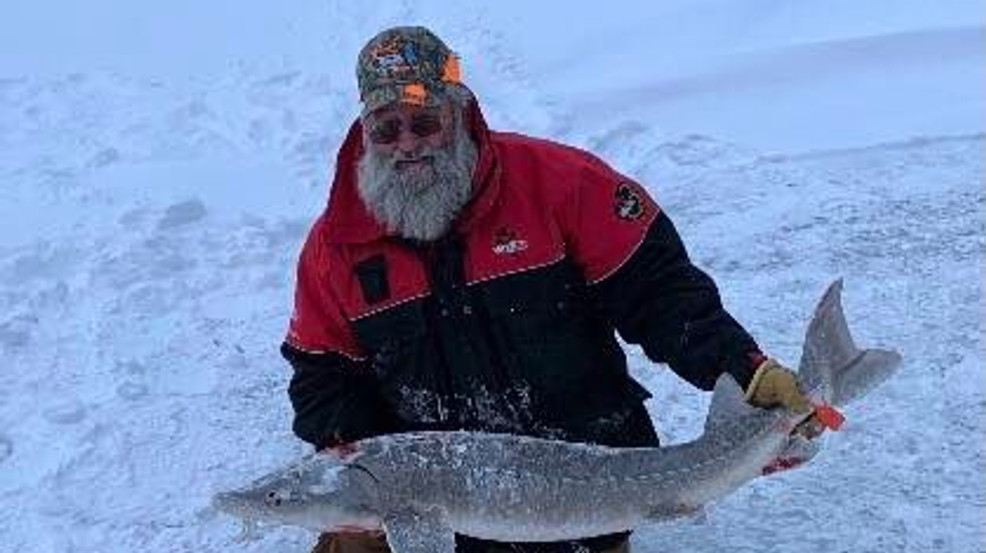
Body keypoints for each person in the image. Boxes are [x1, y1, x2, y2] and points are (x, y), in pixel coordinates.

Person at [281, 26, 821, 553]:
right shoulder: (335, 246)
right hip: (427, 493)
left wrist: (745, 368)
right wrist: (375, 477)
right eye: (386, 129)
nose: (407, 145)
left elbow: (662, 295)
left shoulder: (562, 184)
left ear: (460, 113)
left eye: (425, 122)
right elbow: (321, 376)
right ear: (365, 132)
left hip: (585, 480)